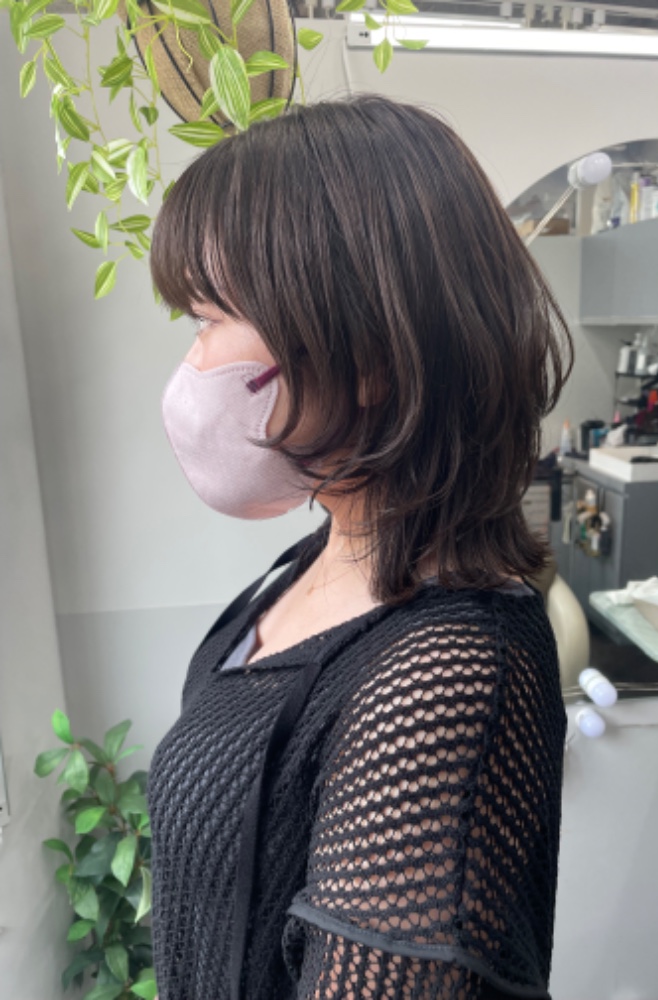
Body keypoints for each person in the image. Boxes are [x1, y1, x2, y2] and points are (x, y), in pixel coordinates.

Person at [147, 93, 573, 1000]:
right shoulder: (315, 560)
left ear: (371, 354)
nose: (193, 366)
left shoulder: (443, 677)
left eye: (210, 320)